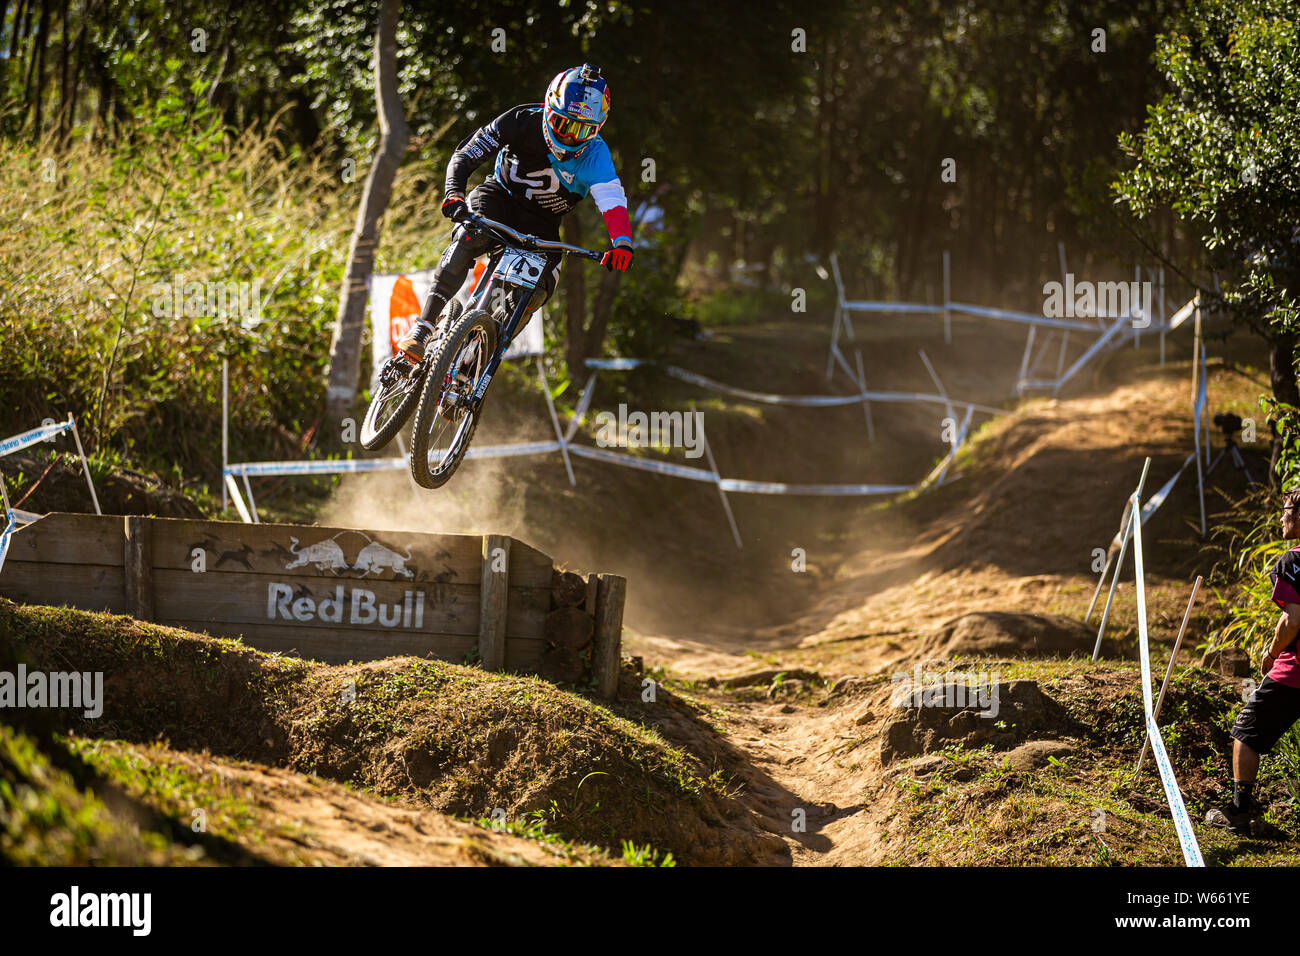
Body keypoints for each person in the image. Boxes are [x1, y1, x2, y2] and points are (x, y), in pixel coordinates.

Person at [395, 63, 634, 362]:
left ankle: (480, 358)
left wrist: (622, 241)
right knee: (470, 236)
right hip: (499, 198)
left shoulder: (597, 155)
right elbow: (466, 154)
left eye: (582, 130)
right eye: (563, 124)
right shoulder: (520, 120)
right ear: (548, 108)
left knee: (541, 288)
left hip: (542, 224)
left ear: (598, 129)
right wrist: (453, 193)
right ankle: (423, 327)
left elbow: (612, 199)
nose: (571, 138)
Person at [1206, 489, 1300, 834]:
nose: (1281, 516)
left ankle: (1238, 812)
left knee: (1246, 731)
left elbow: (1292, 620)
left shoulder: (1292, 561)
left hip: (1294, 671)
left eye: (1286, 509)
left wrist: (1272, 653)